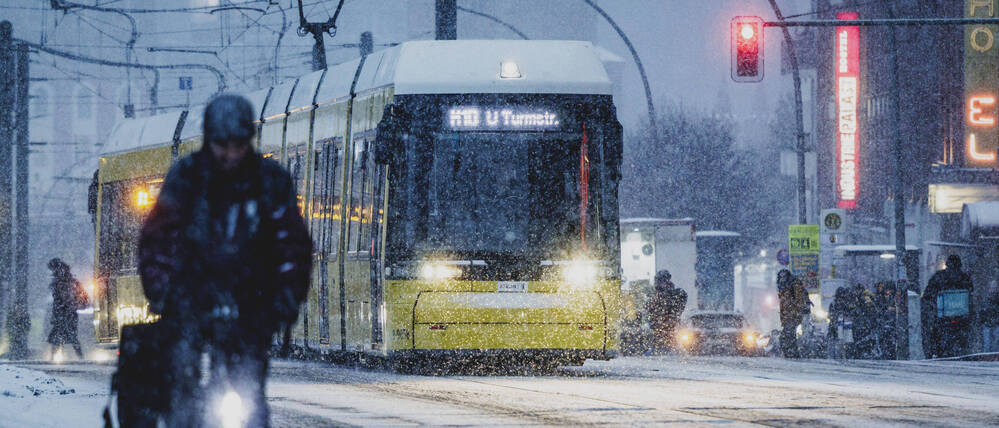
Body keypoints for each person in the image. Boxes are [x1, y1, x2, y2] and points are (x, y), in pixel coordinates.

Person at [139, 94, 312, 427]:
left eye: (239, 144)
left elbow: (292, 245)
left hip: (253, 304)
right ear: (209, 140)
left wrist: (287, 299)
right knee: (184, 386)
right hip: (190, 300)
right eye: (223, 145)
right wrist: (162, 291)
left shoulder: (271, 182)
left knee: (250, 390)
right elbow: (157, 240)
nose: (231, 154)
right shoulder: (186, 178)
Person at [921, 255, 974, 358]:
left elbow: (928, 294)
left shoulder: (939, 276)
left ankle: (937, 352)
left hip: (943, 316)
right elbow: (971, 292)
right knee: (963, 336)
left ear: (947, 264)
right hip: (962, 315)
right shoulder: (964, 277)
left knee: (936, 333)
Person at [46, 258, 85, 359]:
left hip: (63, 312)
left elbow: (62, 297)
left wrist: (64, 305)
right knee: (69, 336)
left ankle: (54, 357)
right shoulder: (69, 281)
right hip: (67, 312)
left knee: (60, 336)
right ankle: (79, 357)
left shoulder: (61, 282)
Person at [645, 270, 687, 352]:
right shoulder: (655, 297)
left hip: (670, 330)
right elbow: (649, 311)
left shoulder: (676, 294)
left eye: (661, 281)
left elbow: (679, 303)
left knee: (672, 348)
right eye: (657, 281)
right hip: (659, 332)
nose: (658, 283)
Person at [777, 269, 809, 358]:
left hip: (792, 316)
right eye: (780, 277)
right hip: (787, 316)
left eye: (783, 276)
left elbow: (799, 300)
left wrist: (795, 312)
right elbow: (784, 303)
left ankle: (792, 354)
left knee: (786, 336)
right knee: (788, 337)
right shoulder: (783, 286)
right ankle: (791, 354)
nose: (782, 278)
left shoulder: (794, 285)